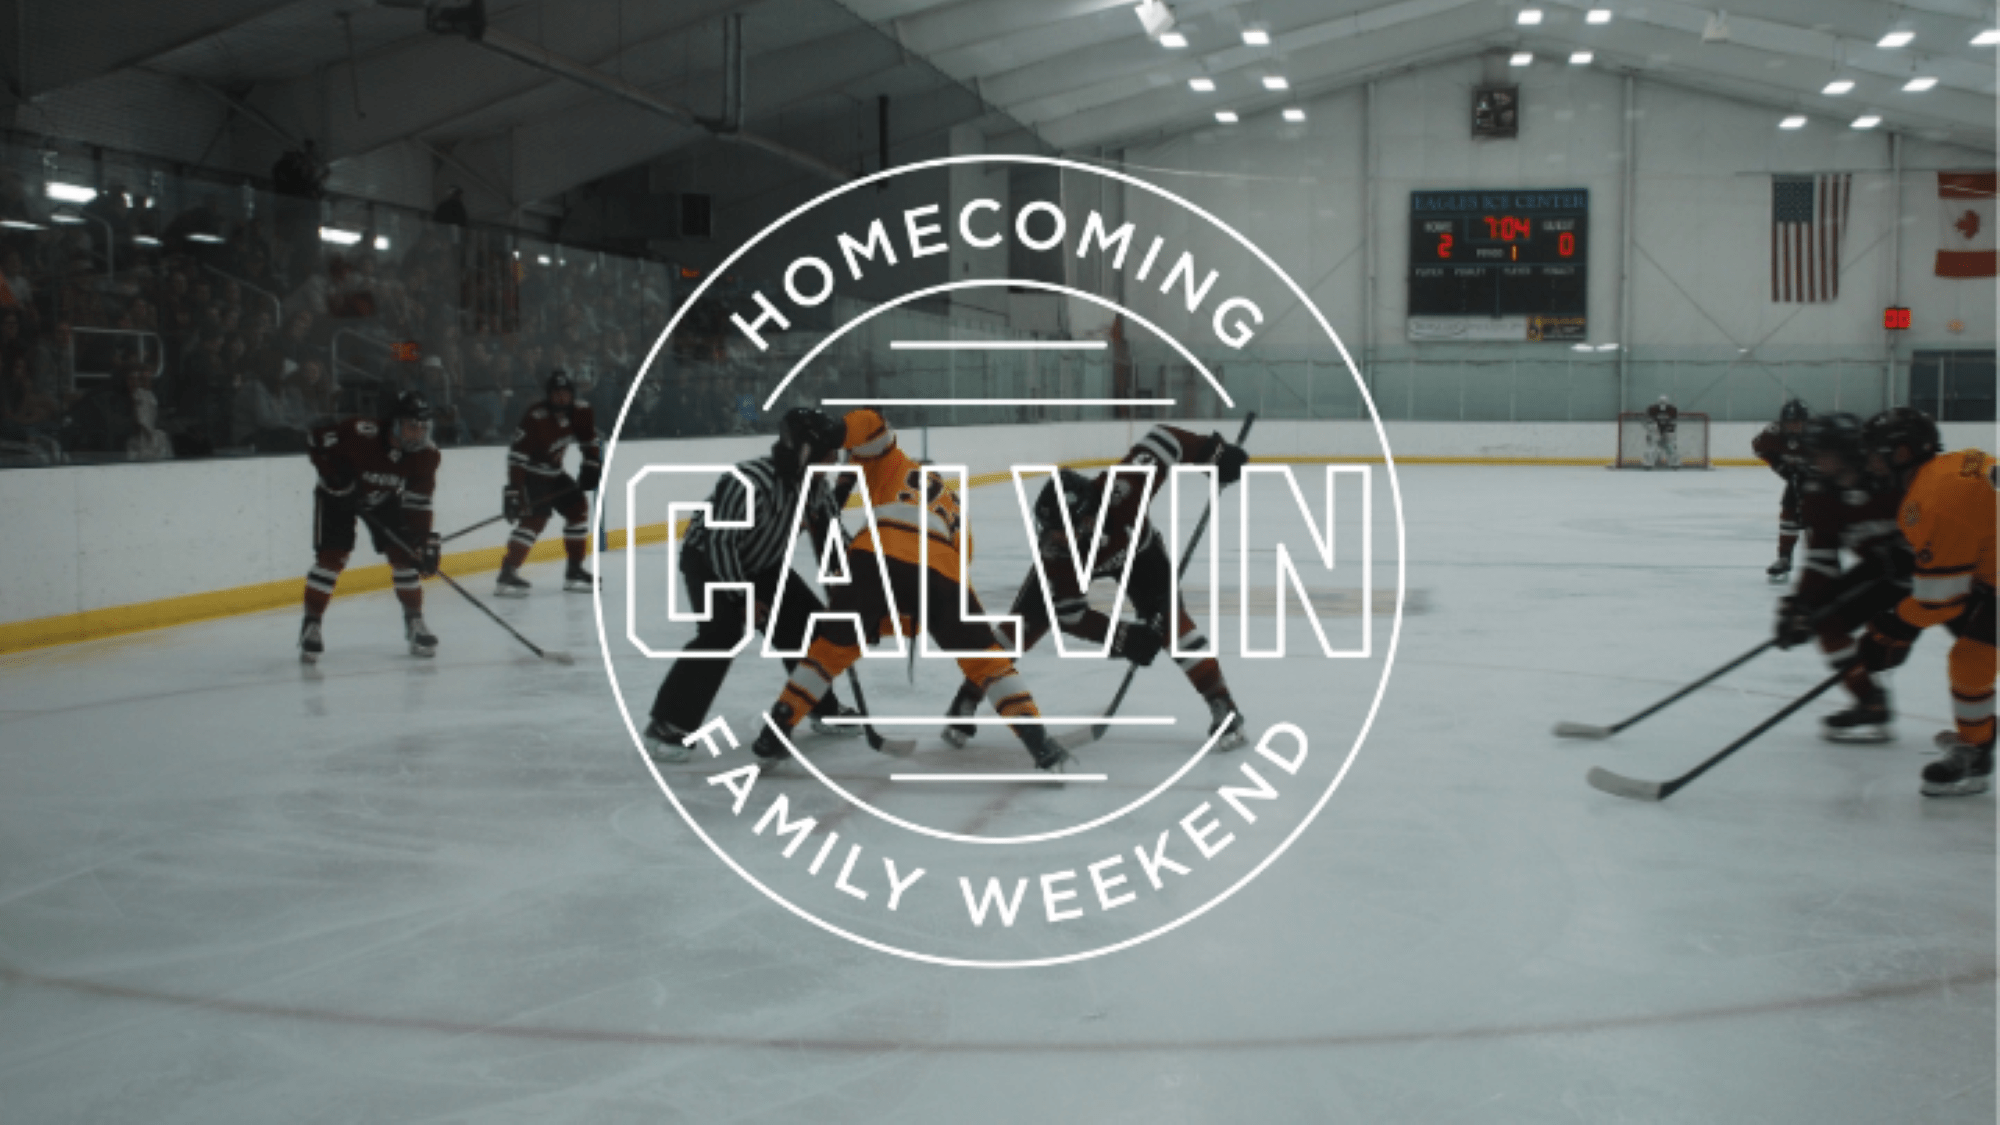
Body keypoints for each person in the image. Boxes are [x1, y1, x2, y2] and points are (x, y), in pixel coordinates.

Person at [749, 408, 1070, 772]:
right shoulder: (958, 517)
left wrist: (837, 432)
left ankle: (775, 732)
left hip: (874, 556)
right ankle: (1038, 741)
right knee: (986, 661)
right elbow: (930, 603)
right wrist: (896, 622)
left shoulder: (896, 465)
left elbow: (872, 426)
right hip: (940, 568)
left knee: (828, 654)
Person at [937, 425, 1253, 751]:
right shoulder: (1057, 559)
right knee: (1017, 629)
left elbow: (1165, 440)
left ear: (1087, 518)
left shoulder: (1125, 489)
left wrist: (1214, 454)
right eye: (1049, 531)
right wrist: (1124, 638)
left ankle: (1222, 703)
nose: (1054, 541)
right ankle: (967, 697)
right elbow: (1070, 615)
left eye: (1062, 532)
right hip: (1089, 565)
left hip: (1138, 555)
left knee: (1173, 624)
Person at [641, 407, 860, 763]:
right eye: (828, 453)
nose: (834, 460)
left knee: (810, 623)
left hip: (764, 564)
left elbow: (833, 536)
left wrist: (854, 579)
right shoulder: (749, 481)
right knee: (721, 634)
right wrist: (741, 596)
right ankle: (668, 723)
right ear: (805, 452)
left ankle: (818, 704)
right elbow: (720, 542)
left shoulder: (814, 486)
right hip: (710, 563)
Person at [1849, 408, 1995, 797]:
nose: (1871, 464)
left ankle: (1977, 752)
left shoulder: (1932, 500)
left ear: (1901, 453)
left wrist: (1887, 630)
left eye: (1876, 454)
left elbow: (1940, 602)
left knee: (1971, 659)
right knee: (1976, 651)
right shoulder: (1957, 464)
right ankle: (1978, 743)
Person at [1770, 412, 1912, 743]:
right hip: (1882, 571)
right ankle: (1870, 702)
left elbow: (1931, 515)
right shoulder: (1820, 493)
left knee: (1976, 639)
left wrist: (1913, 550)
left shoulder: (1893, 479)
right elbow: (1822, 557)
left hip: (1938, 569)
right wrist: (1802, 605)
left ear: (1846, 452)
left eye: (1822, 452)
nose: (1814, 460)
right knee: (1826, 622)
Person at [299, 391, 443, 662]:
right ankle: (312, 624)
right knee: (332, 558)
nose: (418, 434)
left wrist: (420, 540)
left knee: (404, 555)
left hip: (383, 499)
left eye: (423, 428)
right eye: (411, 426)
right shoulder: (360, 432)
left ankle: (414, 621)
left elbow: (419, 502)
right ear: (395, 424)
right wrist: (333, 475)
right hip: (338, 497)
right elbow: (315, 439)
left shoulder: (427, 455)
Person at [495, 371, 600, 596]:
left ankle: (574, 571)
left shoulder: (581, 411)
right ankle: (507, 572)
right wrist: (514, 490)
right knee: (535, 520)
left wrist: (591, 463)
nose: (561, 398)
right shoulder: (536, 417)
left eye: (565, 393)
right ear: (548, 396)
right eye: (556, 394)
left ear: (572, 394)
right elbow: (517, 457)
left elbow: (589, 439)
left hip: (555, 474)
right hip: (531, 475)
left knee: (578, 509)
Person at [1751, 398, 1813, 582]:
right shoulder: (1773, 434)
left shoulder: (1819, 434)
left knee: (1817, 520)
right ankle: (1784, 558)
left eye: (1797, 423)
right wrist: (1778, 466)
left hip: (1820, 483)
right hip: (1796, 480)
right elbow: (1758, 448)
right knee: (1789, 516)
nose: (1793, 427)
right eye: (1789, 423)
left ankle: (1819, 559)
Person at [1644, 394, 1680, 469]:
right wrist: (1652, 429)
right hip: (1657, 429)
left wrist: (1669, 431)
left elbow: (1673, 422)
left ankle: (1673, 463)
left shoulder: (1671, 409)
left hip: (1666, 429)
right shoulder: (1654, 409)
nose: (1662, 404)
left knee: (1669, 446)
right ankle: (1649, 463)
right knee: (1655, 446)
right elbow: (1650, 421)